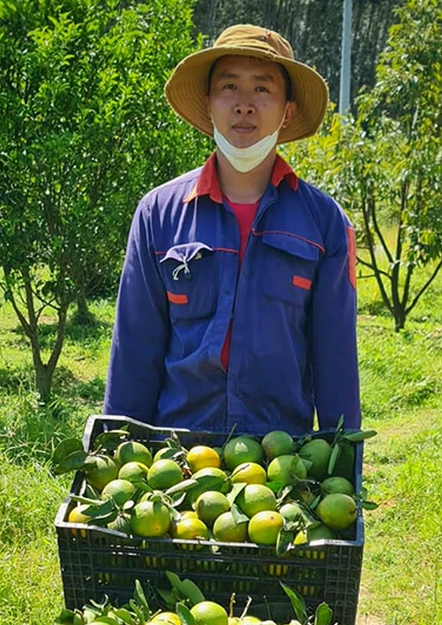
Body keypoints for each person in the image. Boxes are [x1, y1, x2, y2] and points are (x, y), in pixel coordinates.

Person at [102, 24, 360, 435]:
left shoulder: (325, 223)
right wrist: (117, 452)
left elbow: (336, 362)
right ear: (208, 104)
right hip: (175, 461)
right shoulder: (159, 214)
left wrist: (345, 470)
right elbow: (135, 351)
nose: (244, 105)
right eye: (228, 87)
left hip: (280, 462)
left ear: (287, 111)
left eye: (262, 89)